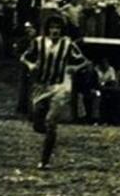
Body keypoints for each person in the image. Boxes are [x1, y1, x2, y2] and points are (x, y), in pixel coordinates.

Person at [20, 15, 89, 169]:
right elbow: (24, 57)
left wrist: (73, 69)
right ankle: (51, 137)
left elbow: (84, 61)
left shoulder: (67, 44)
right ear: (47, 30)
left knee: (51, 122)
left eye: (58, 28)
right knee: (38, 123)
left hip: (59, 87)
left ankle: (44, 160)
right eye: (52, 28)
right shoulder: (38, 42)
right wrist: (31, 65)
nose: (55, 31)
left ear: (62, 30)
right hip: (41, 87)